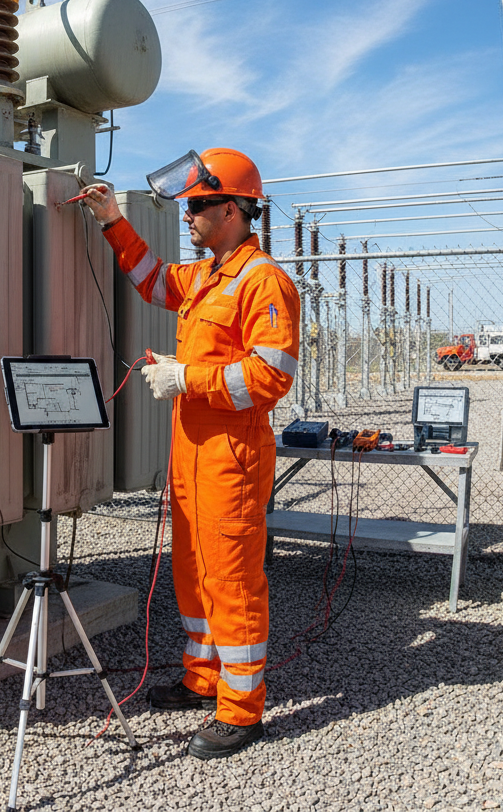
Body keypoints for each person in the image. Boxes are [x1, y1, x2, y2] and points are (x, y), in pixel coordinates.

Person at [81, 147, 300, 760]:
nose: (188, 217)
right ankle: (205, 680)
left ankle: (242, 708)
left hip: (232, 454)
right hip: (193, 451)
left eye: (198, 207)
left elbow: (270, 375)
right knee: (193, 572)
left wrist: (187, 379)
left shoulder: (264, 282)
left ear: (231, 210)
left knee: (231, 579)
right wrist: (108, 219)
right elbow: (151, 278)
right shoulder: (207, 276)